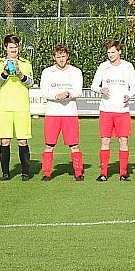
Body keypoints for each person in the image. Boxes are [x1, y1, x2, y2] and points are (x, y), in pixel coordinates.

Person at [92, 40, 135, 181]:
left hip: (122, 111)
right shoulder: (103, 67)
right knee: (105, 141)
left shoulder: (128, 67)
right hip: (106, 110)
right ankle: (103, 173)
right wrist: (101, 89)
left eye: (113, 52)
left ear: (119, 52)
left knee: (123, 141)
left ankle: (123, 174)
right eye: (108, 52)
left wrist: (129, 95)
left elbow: (134, 86)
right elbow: (94, 85)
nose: (110, 55)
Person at [0, 34, 35, 181]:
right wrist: (5, 73)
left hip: (22, 107)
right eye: (10, 47)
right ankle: (5, 174)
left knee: (22, 140)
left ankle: (25, 173)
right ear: (5, 48)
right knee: (5, 140)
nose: (13, 50)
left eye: (15, 47)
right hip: (4, 107)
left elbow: (30, 83)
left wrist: (20, 74)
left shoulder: (26, 63)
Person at [39, 45, 84, 181]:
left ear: (67, 56)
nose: (61, 59)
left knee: (74, 145)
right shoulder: (47, 72)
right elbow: (44, 92)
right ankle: (46, 173)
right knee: (49, 145)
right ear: (54, 57)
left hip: (70, 113)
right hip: (52, 113)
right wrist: (57, 96)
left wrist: (69, 94)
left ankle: (78, 173)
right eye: (58, 56)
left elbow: (78, 91)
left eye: (63, 56)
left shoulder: (75, 71)